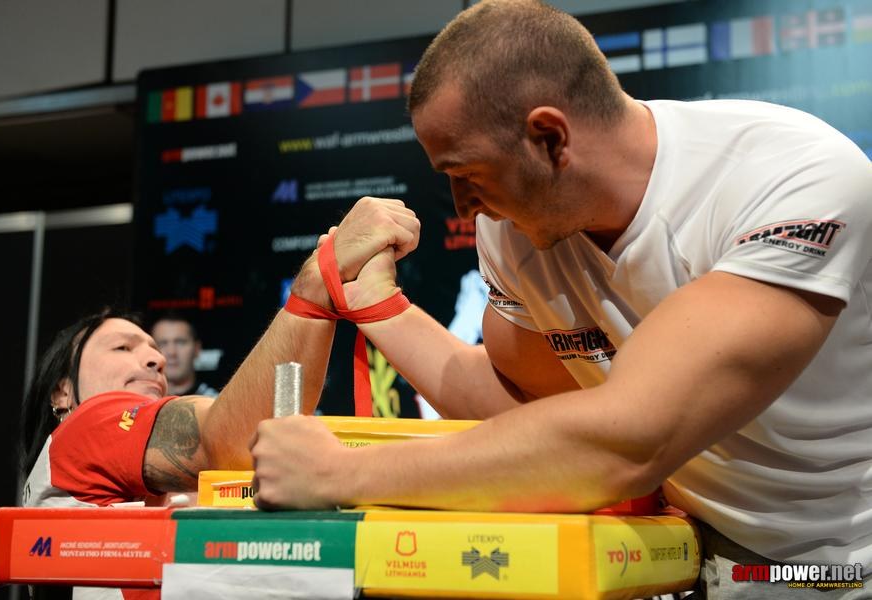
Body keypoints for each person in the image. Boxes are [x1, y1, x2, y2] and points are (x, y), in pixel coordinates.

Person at [249, 1, 872, 598]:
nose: (463, 208)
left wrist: (338, 473)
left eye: (467, 175)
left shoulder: (796, 180)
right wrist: (378, 305)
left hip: (843, 564)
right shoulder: (512, 226)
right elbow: (523, 406)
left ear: (548, 137)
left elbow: (625, 440)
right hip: (693, 551)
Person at [17, 199, 419, 599]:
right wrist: (319, 279)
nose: (157, 359)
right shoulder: (83, 430)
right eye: (122, 348)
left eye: (154, 350)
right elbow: (235, 441)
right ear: (62, 391)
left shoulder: (130, 486)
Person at [149, 313, 218, 397]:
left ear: (197, 348)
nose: (171, 352)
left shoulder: (217, 402)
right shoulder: (141, 402)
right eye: (162, 343)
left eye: (180, 342)